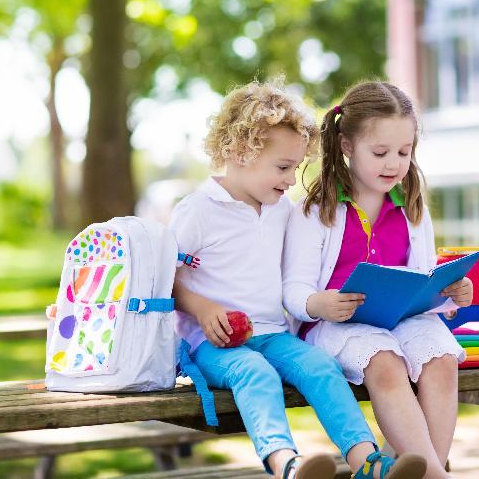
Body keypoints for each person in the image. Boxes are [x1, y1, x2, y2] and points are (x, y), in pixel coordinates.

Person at [170, 80, 427, 479]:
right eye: (283, 167)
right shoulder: (199, 210)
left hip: (273, 333)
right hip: (214, 342)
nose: (292, 180)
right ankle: (286, 464)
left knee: (321, 367)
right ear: (240, 153)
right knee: (256, 374)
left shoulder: (280, 210)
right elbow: (164, 277)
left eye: (294, 168)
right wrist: (203, 310)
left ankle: (368, 462)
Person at [283, 81, 474, 479]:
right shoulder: (315, 211)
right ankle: (438, 476)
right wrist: (318, 303)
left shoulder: (412, 207)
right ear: (347, 146)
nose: (394, 164)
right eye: (381, 152)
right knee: (385, 363)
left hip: (403, 320)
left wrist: (452, 293)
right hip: (335, 325)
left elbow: (425, 280)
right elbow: (294, 290)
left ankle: (429, 470)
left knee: (441, 359)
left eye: (404, 152)